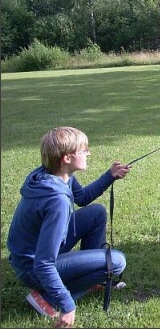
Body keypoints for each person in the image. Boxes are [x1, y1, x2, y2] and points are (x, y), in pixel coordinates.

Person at [7, 126, 131, 327]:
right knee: (116, 262)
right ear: (66, 158)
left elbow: (82, 198)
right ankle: (47, 298)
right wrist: (67, 305)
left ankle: (92, 278)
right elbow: (44, 262)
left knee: (96, 213)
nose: (88, 153)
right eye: (83, 150)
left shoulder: (52, 175)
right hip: (33, 267)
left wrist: (110, 175)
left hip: (27, 258)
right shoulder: (57, 200)